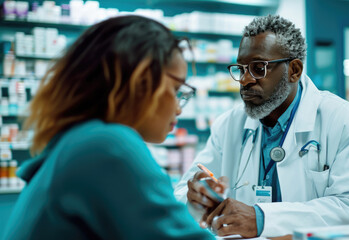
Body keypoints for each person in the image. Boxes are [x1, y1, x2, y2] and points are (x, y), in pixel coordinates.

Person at [2, 16, 214, 240]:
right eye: (175, 89)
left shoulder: (76, 139)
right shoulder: (108, 146)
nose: (179, 108)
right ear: (140, 81)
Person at [174, 15, 349, 238]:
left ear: (294, 70)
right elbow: (183, 191)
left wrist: (262, 219)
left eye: (258, 68)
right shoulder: (229, 125)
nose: (245, 80)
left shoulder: (343, 120)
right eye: (241, 69)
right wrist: (199, 197)